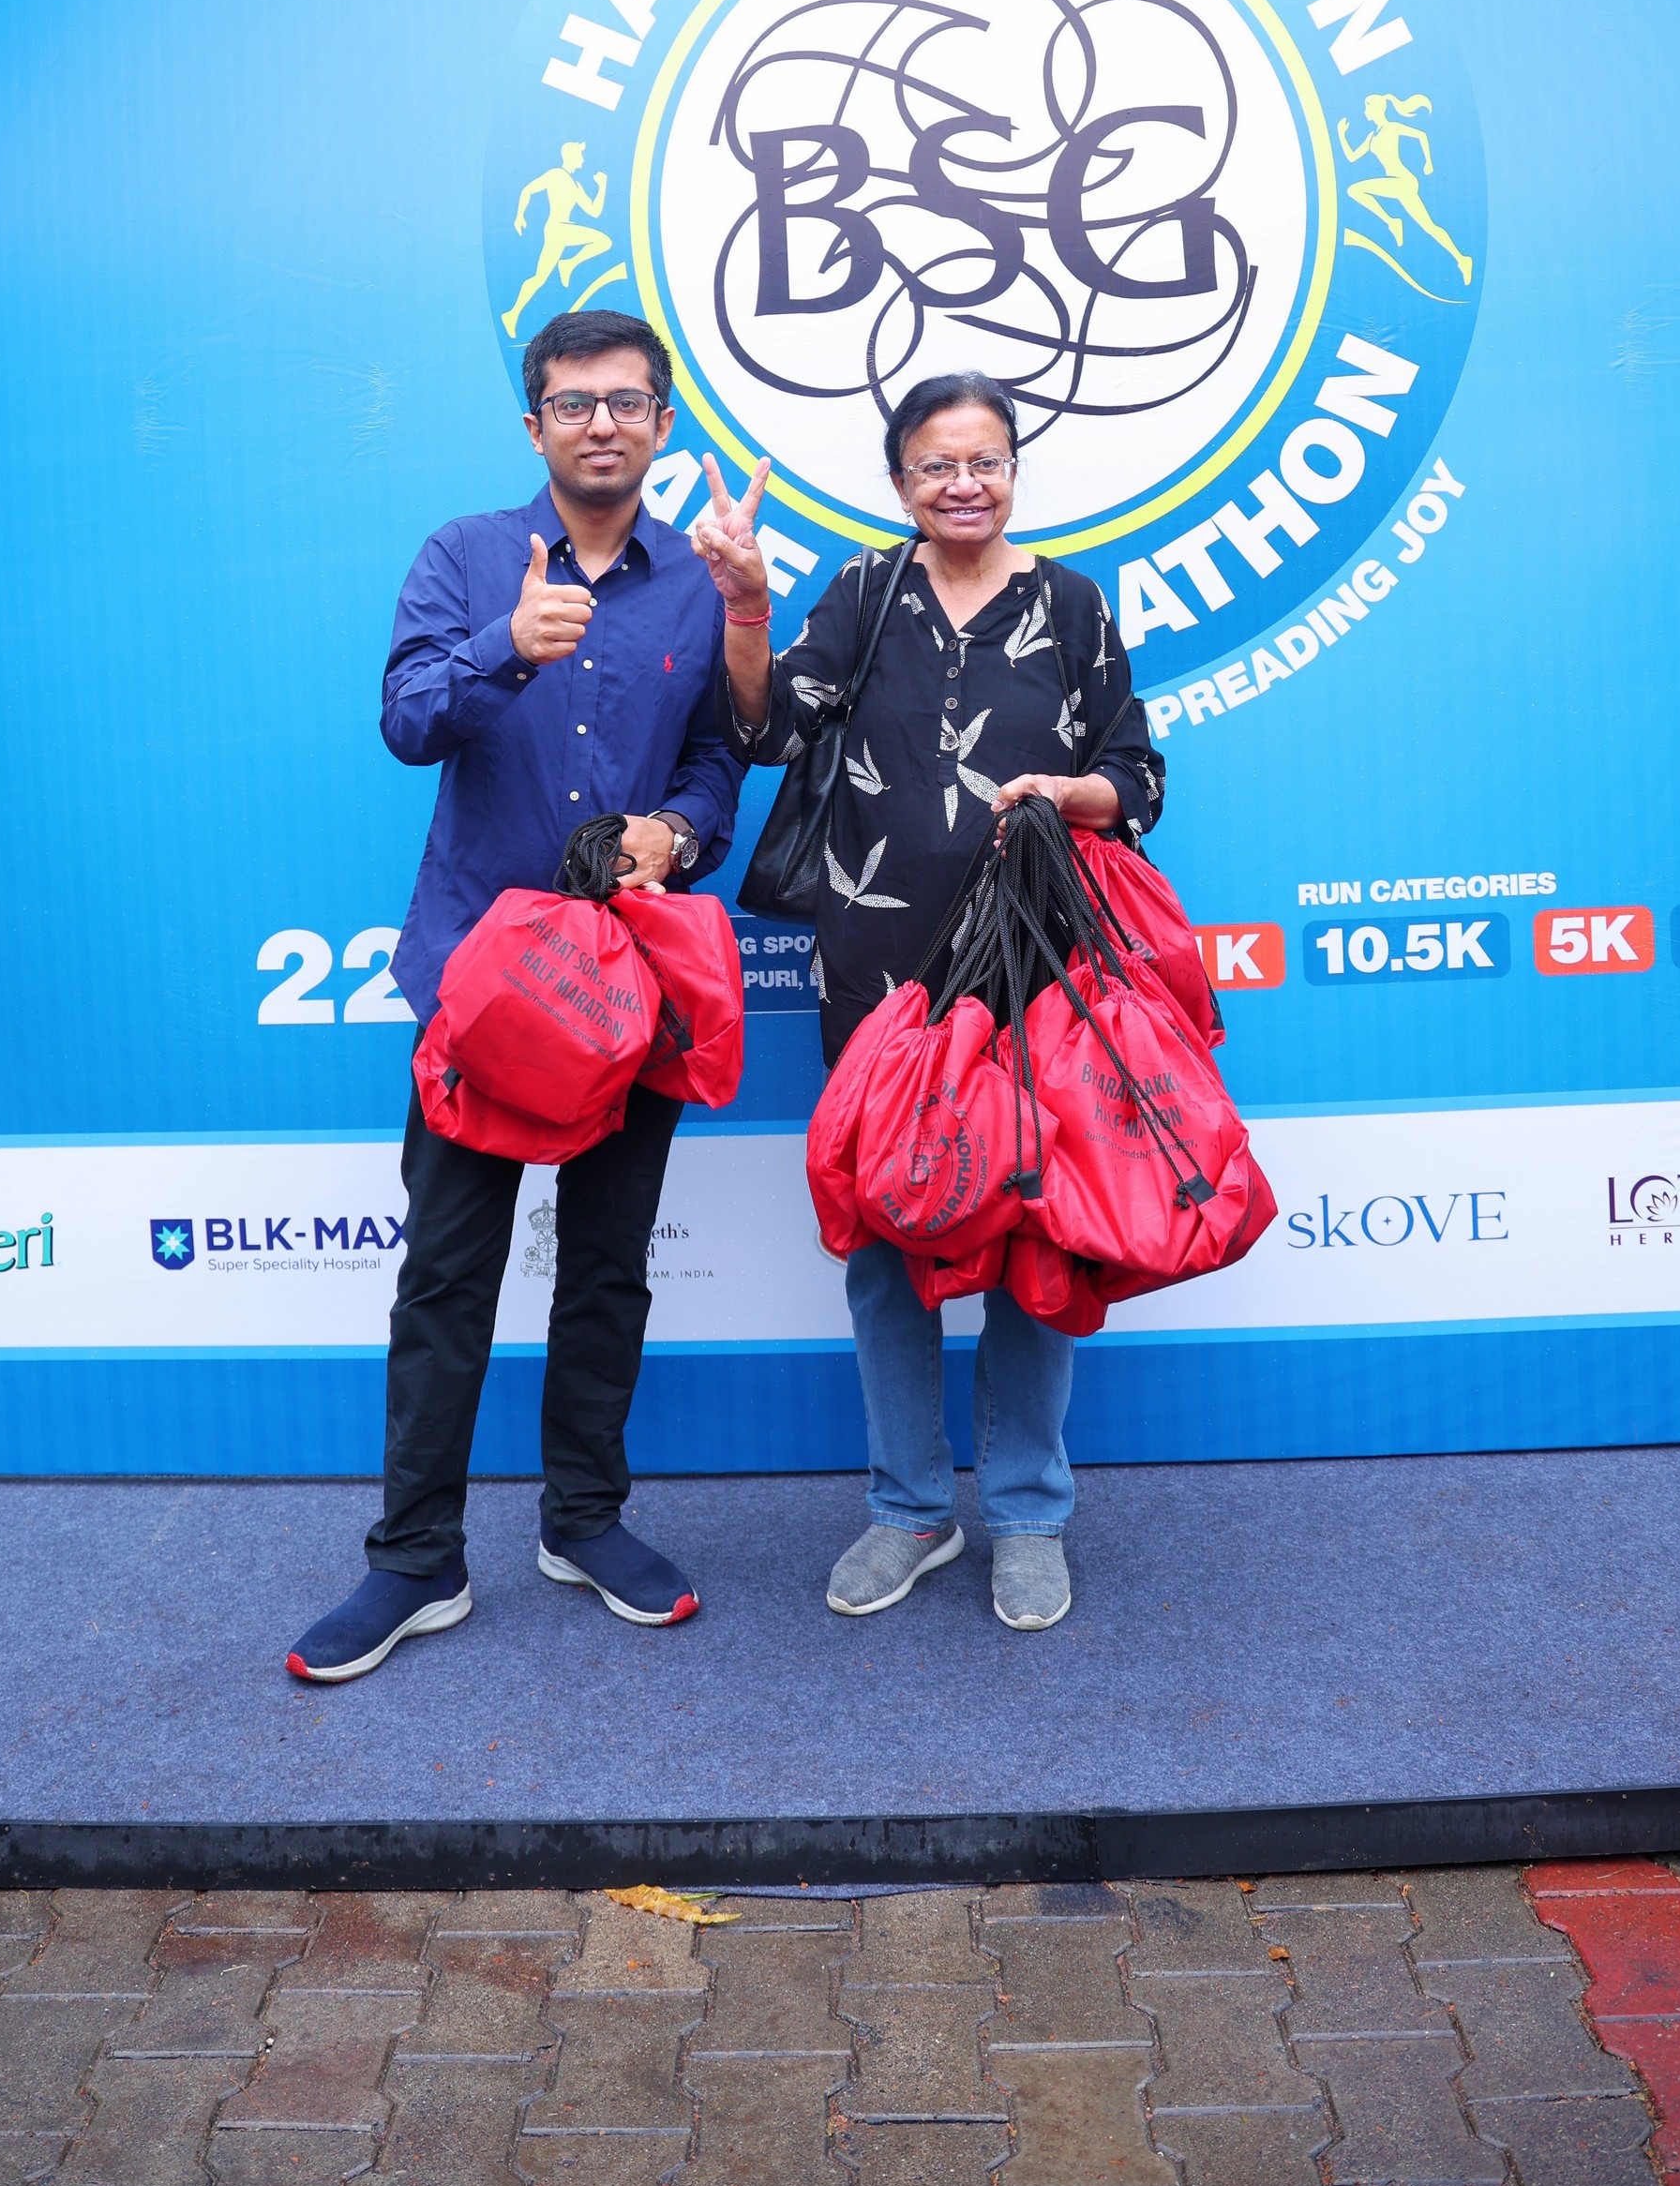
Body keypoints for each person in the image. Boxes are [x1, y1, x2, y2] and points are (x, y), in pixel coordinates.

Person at [288, 311, 742, 1684]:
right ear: (533, 425)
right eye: (573, 402)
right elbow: (405, 721)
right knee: (447, 1276)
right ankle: (416, 1558)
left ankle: (583, 1521)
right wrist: (506, 645)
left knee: (606, 1269)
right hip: (482, 991)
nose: (602, 422)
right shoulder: (469, 558)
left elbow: (718, 760)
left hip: (625, 992)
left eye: (627, 401)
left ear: (661, 423)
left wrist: (678, 832)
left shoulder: (696, 584)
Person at [690, 373, 1164, 1637]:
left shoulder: (1072, 604)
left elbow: (1137, 777)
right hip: (881, 984)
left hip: (1035, 972)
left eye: (986, 459)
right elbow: (770, 731)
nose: (964, 483)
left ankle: (1028, 1513)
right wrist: (746, 605)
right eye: (936, 464)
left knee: (1035, 1244)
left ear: (1015, 468)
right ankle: (907, 1508)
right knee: (891, 1238)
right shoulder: (865, 591)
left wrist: (1069, 794)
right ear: (900, 480)